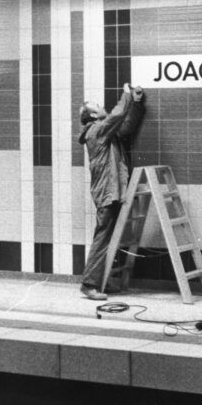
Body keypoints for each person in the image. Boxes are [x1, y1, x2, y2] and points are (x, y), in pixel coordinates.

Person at [77, 83, 145, 300]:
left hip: (112, 191)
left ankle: (100, 281)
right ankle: (89, 284)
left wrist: (135, 103)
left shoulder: (105, 132)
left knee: (108, 238)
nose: (102, 106)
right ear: (93, 115)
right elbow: (117, 116)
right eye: (98, 106)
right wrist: (126, 94)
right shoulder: (96, 131)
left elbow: (125, 127)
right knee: (103, 238)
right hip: (107, 193)